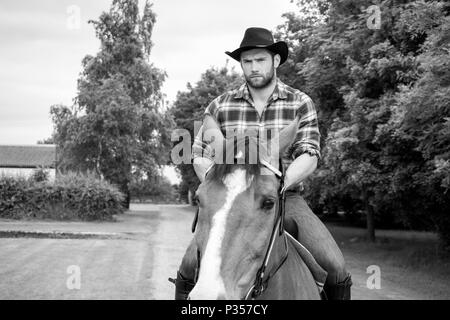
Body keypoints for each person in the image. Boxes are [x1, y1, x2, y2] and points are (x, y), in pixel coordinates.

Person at [173, 27, 352, 300]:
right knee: (188, 266)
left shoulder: (300, 102)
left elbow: (309, 152)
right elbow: (199, 153)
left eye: (260, 60)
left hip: (284, 196)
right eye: (247, 61)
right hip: (229, 201)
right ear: (241, 64)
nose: (254, 67)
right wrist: (221, 184)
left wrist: (279, 182)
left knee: (335, 266)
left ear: (275, 61)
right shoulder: (220, 106)